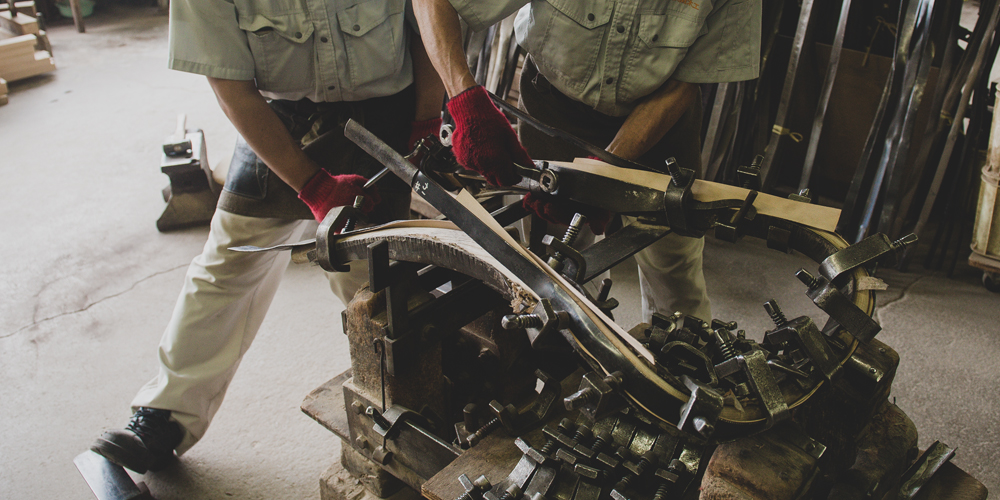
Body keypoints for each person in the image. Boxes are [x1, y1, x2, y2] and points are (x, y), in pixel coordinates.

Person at [90, 0, 444, 474]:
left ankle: (406, 407)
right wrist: (312, 184)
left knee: (369, 280)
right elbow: (231, 86)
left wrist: (425, 121)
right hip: (280, 125)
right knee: (229, 260)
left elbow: (426, 23)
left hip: (387, 117)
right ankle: (167, 415)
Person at [412, 0, 761, 324]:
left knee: (674, 267)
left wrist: (606, 167)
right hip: (554, 109)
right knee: (556, 263)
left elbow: (688, 78)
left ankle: (677, 370)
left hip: (662, 123)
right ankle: (573, 355)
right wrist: (464, 100)